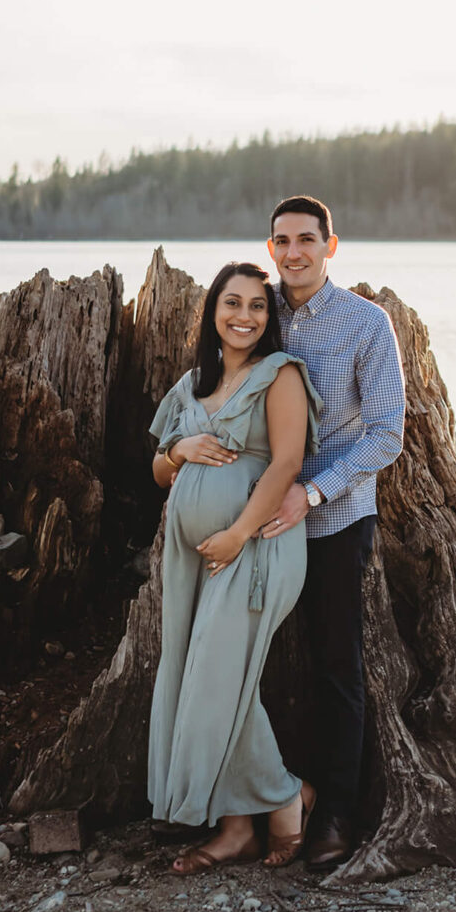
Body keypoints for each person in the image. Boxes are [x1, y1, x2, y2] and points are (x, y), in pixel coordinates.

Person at [145, 261, 321, 871]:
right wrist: (178, 449)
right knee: (201, 681)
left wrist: (238, 535)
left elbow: (285, 463)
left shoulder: (280, 375)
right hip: (191, 557)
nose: (244, 316)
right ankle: (240, 825)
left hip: (256, 547)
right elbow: (160, 473)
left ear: (269, 319)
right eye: (232, 303)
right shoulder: (193, 383)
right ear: (213, 312)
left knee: (220, 681)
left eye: (257, 306)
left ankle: (283, 798)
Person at [257, 194, 405, 871]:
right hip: (258, 515)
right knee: (248, 659)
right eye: (282, 240)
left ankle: (337, 811)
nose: (294, 252)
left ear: (331, 246)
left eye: (306, 240)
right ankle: (254, 803)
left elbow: (386, 434)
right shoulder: (256, 315)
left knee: (335, 666)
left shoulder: (367, 324)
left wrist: (313, 490)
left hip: (336, 516)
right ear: (271, 248)